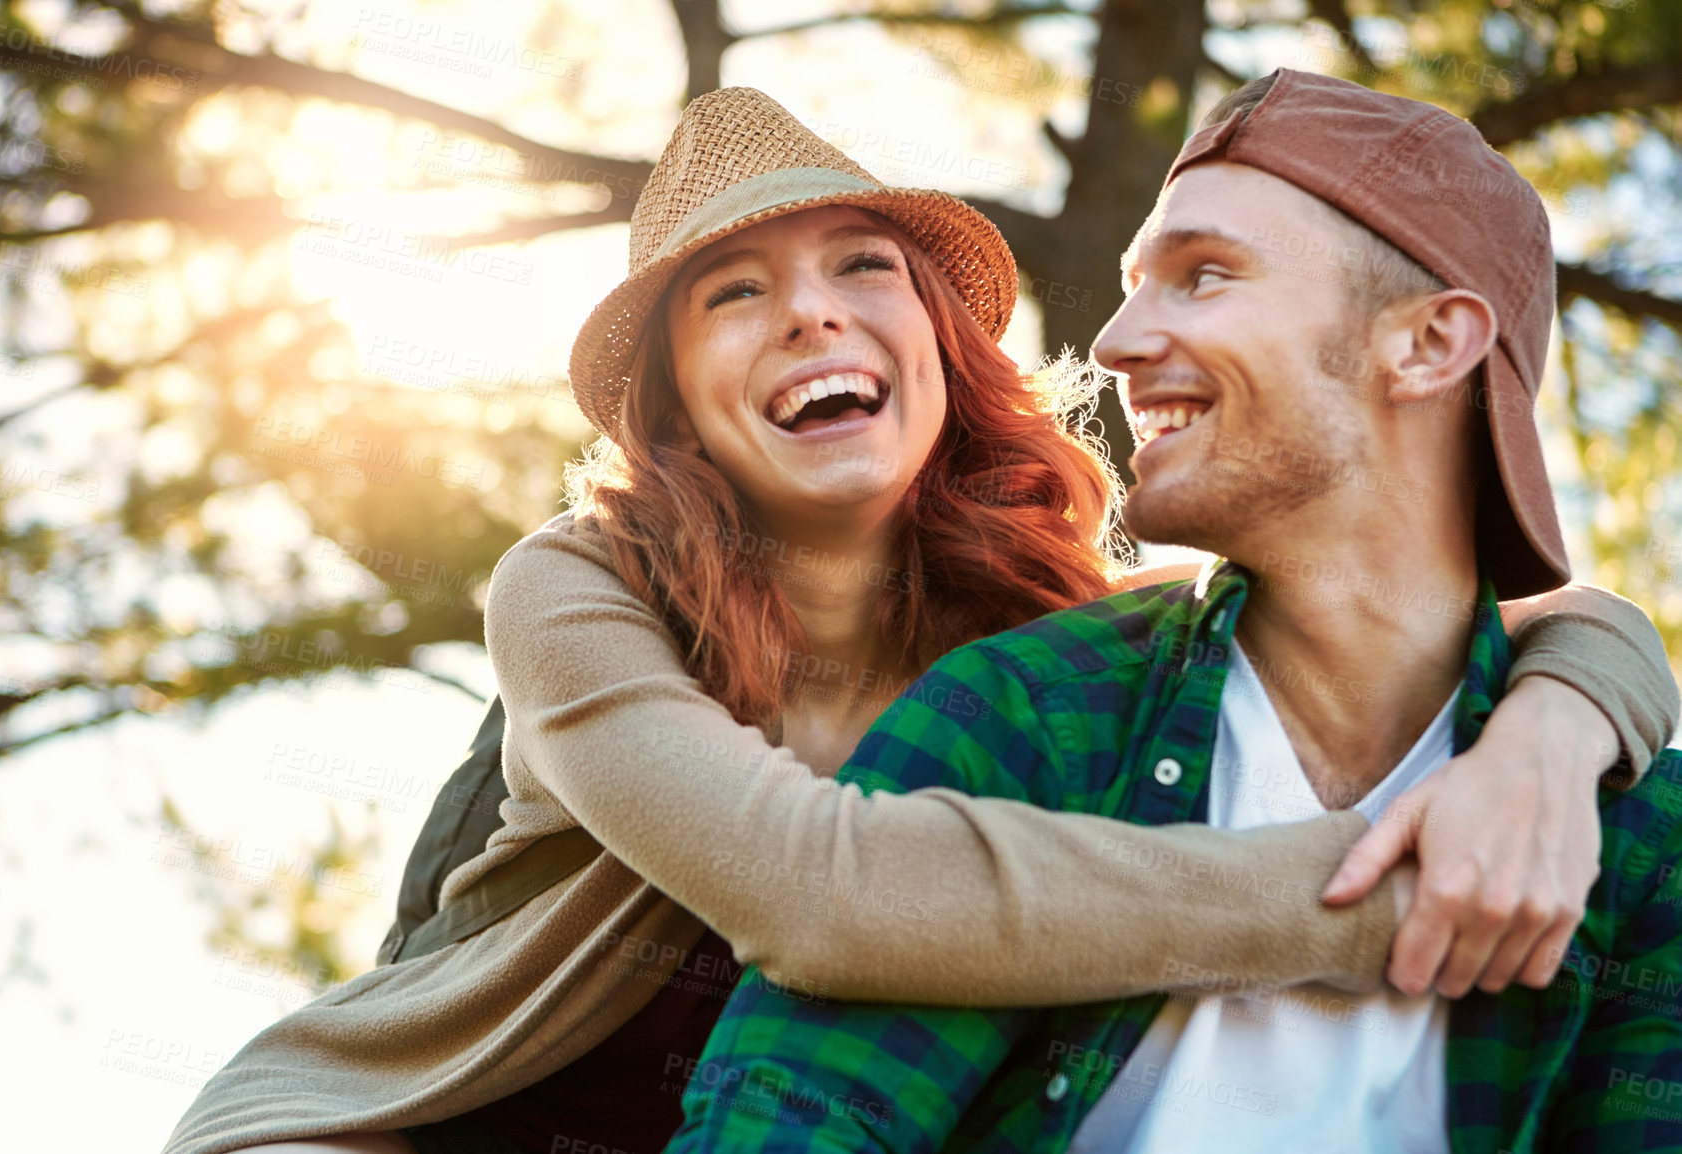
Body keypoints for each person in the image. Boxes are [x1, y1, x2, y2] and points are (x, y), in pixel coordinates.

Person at [163, 87, 1678, 1154]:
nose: (810, 312)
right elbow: (814, 893)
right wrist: (1404, 901)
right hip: (425, 1123)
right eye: (732, 295)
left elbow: (1541, 612)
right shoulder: (579, 586)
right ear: (680, 397)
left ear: (936, 343)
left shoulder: (1060, 638)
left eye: (858, 266)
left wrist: (1548, 741)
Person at [667, 70, 1682, 1153]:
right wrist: (1387, 903)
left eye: (1202, 276)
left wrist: (1563, 719)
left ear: (1429, 344)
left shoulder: (1635, 841)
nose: (1113, 341)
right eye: (1133, 281)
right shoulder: (1022, 719)